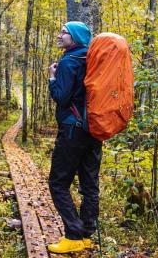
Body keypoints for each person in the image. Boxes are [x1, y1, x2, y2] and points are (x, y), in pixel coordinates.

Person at [47, 21, 103, 254]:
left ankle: (73, 234)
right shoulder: (90, 59)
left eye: (64, 33)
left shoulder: (69, 61)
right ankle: (87, 235)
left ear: (76, 37)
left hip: (72, 129)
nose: (59, 35)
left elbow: (61, 97)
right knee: (89, 184)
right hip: (94, 129)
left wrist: (52, 78)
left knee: (58, 183)